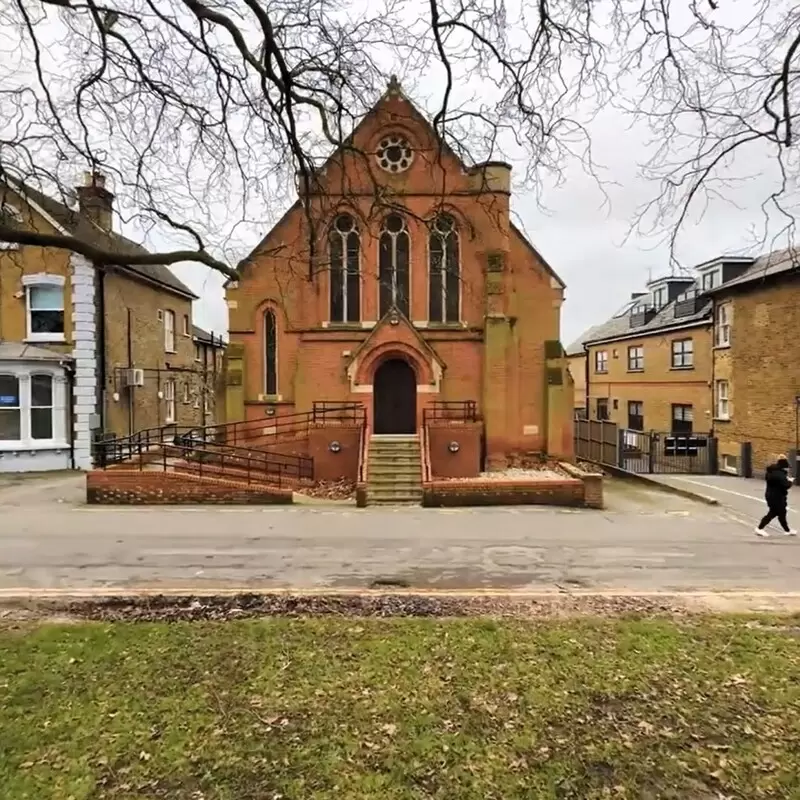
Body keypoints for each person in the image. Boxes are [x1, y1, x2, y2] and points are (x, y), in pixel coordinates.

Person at [755, 455, 797, 537]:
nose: (788, 469)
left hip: (772, 495)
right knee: (774, 513)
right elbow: (785, 485)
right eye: (787, 468)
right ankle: (759, 528)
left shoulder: (772, 471)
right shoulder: (779, 474)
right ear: (783, 466)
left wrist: (785, 479)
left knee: (781, 513)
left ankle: (787, 530)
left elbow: (777, 483)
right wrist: (790, 481)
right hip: (776, 497)